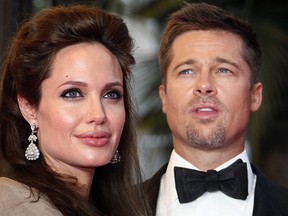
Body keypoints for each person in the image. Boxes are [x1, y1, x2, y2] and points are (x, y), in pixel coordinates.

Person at [0, 4, 152, 216]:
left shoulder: (115, 206)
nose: (98, 115)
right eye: (72, 93)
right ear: (29, 108)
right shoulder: (10, 204)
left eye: (111, 94)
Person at [144, 2, 288, 216]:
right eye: (187, 71)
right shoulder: (107, 210)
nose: (204, 85)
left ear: (254, 96)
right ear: (164, 97)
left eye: (223, 70)